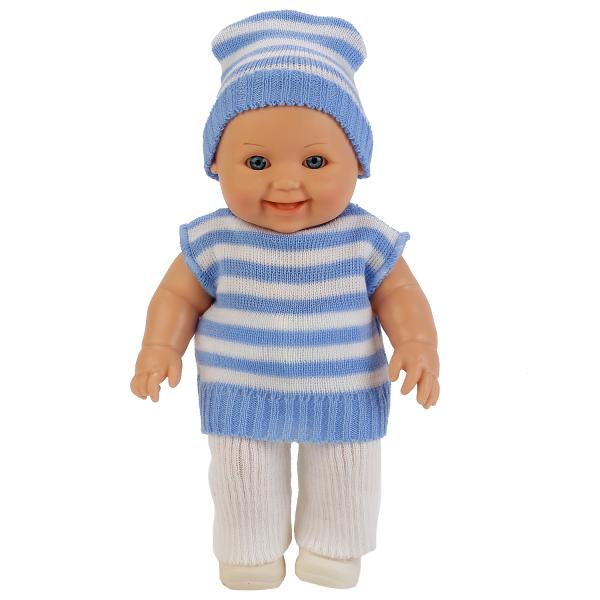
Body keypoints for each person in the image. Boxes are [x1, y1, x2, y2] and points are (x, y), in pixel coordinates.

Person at [131, 9, 440, 590]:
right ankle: (248, 553)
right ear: (215, 163)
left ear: (359, 162)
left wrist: (418, 341)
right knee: (240, 474)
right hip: (241, 393)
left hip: (344, 393)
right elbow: (176, 294)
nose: (285, 181)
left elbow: (400, 291)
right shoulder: (215, 238)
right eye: (256, 162)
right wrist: (159, 347)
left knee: (347, 474)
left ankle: (334, 549)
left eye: (315, 161)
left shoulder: (364, 238)